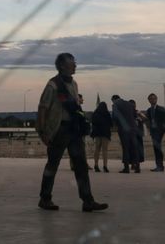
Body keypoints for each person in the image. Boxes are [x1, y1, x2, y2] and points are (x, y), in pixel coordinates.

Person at [36, 53, 107, 212]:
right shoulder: (53, 85)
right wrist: (42, 132)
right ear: (62, 66)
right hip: (59, 130)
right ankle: (45, 198)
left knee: (81, 165)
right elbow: (42, 108)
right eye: (72, 63)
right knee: (52, 165)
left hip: (73, 130)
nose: (75, 65)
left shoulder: (74, 84)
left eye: (75, 62)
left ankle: (87, 200)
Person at [111, 95, 139, 173]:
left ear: (114, 99)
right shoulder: (130, 104)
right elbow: (135, 116)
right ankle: (137, 167)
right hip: (133, 129)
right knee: (135, 148)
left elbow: (114, 117)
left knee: (125, 148)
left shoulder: (115, 105)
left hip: (123, 130)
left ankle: (126, 168)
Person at [145, 93, 165, 172]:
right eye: (151, 99)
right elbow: (148, 119)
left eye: (154, 98)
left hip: (159, 131)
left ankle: (160, 166)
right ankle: (159, 165)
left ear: (156, 99)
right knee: (156, 148)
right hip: (153, 131)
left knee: (157, 148)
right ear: (149, 100)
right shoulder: (149, 110)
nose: (152, 100)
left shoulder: (161, 109)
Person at [90, 102, 112, 173]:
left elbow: (93, 122)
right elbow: (111, 124)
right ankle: (105, 166)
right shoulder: (107, 114)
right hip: (105, 133)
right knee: (105, 151)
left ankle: (96, 165)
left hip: (97, 133)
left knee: (97, 150)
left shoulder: (95, 113)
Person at [130, 99, 146, 166]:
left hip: (137, 134)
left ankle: (137, 164)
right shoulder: (128, 113)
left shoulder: (138, 112)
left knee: (137, 149)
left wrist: (140, 119)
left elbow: (145, 118)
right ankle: (133, 163)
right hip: (132, 134)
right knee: (132, 149)